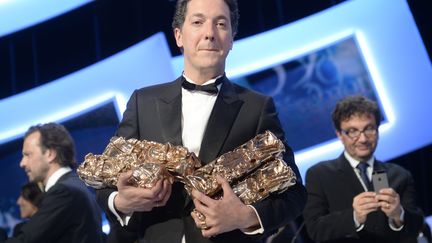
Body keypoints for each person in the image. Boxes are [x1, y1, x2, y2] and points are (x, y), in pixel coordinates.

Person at [96, 0, 307, 242]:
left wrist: (245, 216)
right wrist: (121, 201)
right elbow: (105, 182)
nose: (209, 34)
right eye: (198, 22)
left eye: (220, 24)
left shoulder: (257, 107)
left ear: (231, 38)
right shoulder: (142, 102)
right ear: (179, 36)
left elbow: (294, 193)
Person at [303, 95, 424, 243]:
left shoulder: (400, 175)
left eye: (369, 129)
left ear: (378, 130)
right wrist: (354, 217)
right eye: (352, 131)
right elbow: (315, 230)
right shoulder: (319, 175)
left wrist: (399, 215)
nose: (363, 139)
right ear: (340, 135)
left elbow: (418, 226)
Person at [2, 123, 103, 243]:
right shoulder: (73, 185)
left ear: (50, 154)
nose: (22, 163)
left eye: (28, 155)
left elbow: (25, 240)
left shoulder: (64, 192)